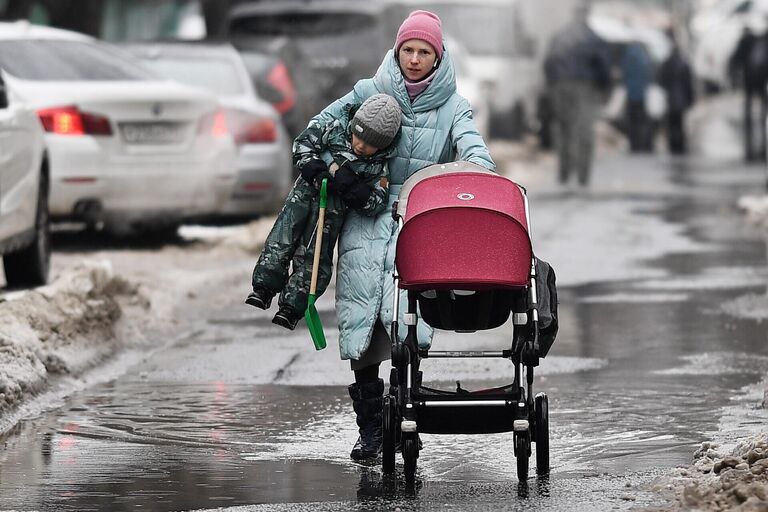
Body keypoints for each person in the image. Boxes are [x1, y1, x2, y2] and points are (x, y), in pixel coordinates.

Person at [306, 10, 495, 461]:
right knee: (362, 322)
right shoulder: (369, 93)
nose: (414, 59)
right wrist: (337, 169)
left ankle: (403, 413)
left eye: (423, 52)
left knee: (408, 320)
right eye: (407, 50)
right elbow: (317, 133)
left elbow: (477, 156)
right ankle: (370, 430)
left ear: (437, 56)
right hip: (365, 221)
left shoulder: (454, 107)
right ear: (396, 50)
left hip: (420, 224)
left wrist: (462, 176)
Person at [245, 94, 402, 330]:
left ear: (383, 145)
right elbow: (302, 144)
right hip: (300, 202)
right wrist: (316, 170)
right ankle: (263, 287)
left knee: (314, 260)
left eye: (369, 144)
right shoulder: (334, 130)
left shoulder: (378, 167)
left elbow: (376, 202)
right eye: (357, 136)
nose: (360, 145)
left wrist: (353, 188)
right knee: (280, 242)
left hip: (330, 219)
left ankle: (292, 307)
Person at [543, 3, 611, 186]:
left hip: (561, 87)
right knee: (584, 133)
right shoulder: (593, 38)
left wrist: (552, 87)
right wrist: (605, 89)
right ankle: (583, 177)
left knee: (565, 131)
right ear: (587, 14)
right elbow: (604, 68)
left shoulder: (560, 36)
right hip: (585, 88)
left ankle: (564, 174)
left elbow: (549, 63)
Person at [657, 30, 695, 155]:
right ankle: (680, 145)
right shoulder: (684, 64)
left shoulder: (666, 64)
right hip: (681, 99)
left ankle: (674, 145)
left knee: (672, 123)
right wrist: (690, 99)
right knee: (679, 123)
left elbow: (661, 80)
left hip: (671, 98)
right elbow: (688, 84)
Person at [621, 42, 654, 152]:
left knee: (632, 121)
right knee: (642, 121)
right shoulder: (645, 59)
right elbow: (650, 76)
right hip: (642, 96)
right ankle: (643, 144)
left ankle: (634, 144)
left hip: (631, 95)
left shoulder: (627, 59)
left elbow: (624, 77)